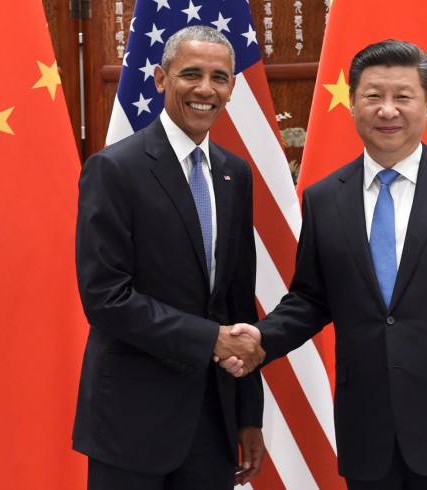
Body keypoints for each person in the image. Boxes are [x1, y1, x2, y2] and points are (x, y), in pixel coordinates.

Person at [223, 39, 427, 489]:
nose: (387, 110)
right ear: (352, 104)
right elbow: (311, 298)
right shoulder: (325, 197)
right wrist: (260, 337)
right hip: (369, 428)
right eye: (373, 96)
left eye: (402, 96)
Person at [72, 25, 266, 489]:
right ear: (160, 78)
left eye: (220, 77)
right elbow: (105, 298)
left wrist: (247, 413)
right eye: (191, 74)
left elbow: (237, 304)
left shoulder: (233, 174)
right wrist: (210, 340)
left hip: (212, 422)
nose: (205, 89)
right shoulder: (114, 169)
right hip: (131, 421)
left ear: (232, 88)